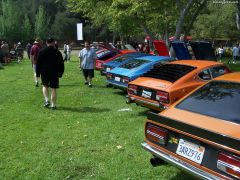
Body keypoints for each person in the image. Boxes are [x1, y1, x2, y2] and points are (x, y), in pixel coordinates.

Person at [36, 37, 64, 110]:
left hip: (44, 72)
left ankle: (46, 99)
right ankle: (53, 105)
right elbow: (61, 63)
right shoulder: (57, 52)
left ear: (46, 42)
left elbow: (38, 63)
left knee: (45, 86)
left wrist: (37, 73)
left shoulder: (42, 51)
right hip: (54, 72)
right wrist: (61, 73)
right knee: (53, 89)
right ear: (54, 42)